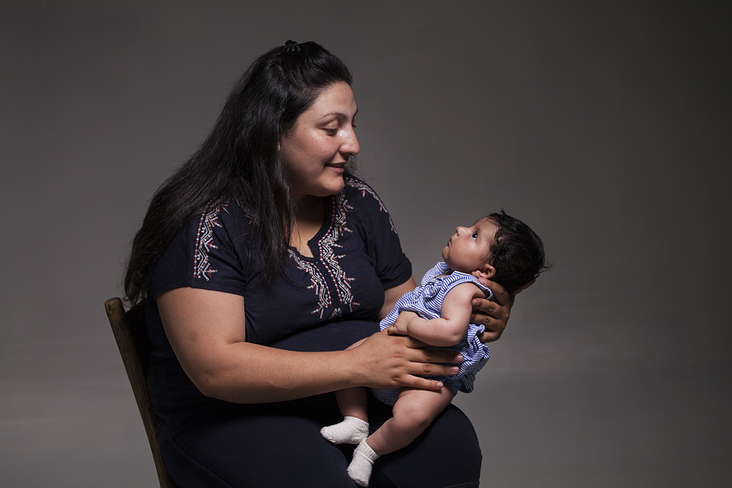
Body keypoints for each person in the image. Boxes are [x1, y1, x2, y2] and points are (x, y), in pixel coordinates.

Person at [124, 40, 516, 488]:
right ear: (271, 133)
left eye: (352, 124)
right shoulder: (206, 225)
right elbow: (217, 369)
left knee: (450, 449)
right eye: (332, 128)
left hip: (350, 401)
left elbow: (408, 308)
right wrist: (356, 367)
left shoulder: (358, 204)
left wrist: (470, 312)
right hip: (229, 415)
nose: (353, 143)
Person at [320, 211, 549, 486]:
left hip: (431, 375)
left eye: (474, 234)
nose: (460, 228)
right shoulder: (447, 274)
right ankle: (356, 421)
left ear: (485, 272)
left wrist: (408, 324)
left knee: (413, 416)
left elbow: (450, 331)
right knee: (348, 361)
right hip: (393, 358)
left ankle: (368, 451)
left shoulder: (465, 290)